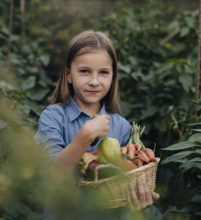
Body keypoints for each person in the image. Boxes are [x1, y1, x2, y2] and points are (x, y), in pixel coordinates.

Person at [34, 30, 160, 219]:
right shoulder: (53, 117)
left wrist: (138, 199)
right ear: (69, 75)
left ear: (112, 77)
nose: (94, 81)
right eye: (84, 71)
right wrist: (84, 137)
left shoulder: (121, 126)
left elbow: (123, 182)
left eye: (103, 73)